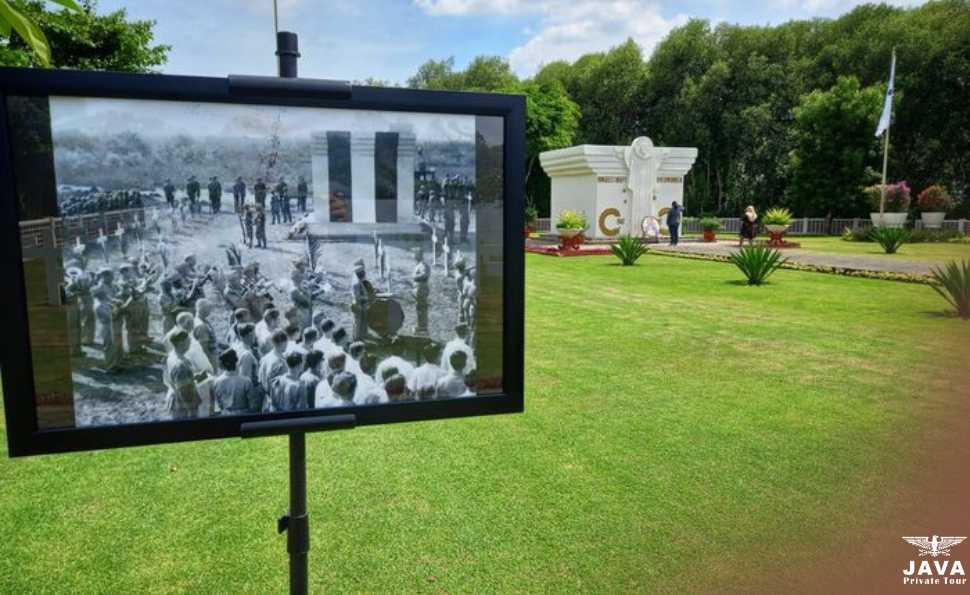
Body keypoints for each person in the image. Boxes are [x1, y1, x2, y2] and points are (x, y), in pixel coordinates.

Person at [164, 330, 202, 419]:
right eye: (188, 340)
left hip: (176, 400)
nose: (190, 342)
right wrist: (192, 411)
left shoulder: (171, 356)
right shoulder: (180, 365)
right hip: (183, 407)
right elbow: (184, 391)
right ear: (181, 343)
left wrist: (204, 376)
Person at [91, 267, 123, 371]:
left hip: (114, 322)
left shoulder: (111, 287)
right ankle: (111, 366)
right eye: (110, 275)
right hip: (108, 325)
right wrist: (117, 307)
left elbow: (113, 298)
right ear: (105, 276)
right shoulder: (99, 298)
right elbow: (108, 315)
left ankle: (117, 363)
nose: (112, 277)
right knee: (109, 346)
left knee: (117, 344)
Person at [212, 349, 255, 416]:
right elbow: (253, 405)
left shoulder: (217, 382)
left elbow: (217, 405)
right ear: (236, 361)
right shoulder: (246, 381)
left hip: (225, 416)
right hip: (244, 416)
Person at [231, 323, 263, 412]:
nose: (255, 337)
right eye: (253, 334)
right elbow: (246, 378)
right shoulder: (247, 354)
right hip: (251, 393)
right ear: (249, 335)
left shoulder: (236, 347)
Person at [258, 330, 289, 409]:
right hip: (277, 402)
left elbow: (260, 380)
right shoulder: (278, 361)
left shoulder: (265, 358)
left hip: (266, 400)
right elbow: (273, 385)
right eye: (286, 342)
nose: (287, 345)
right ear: (283, 342)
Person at [350, 259, 374, 342]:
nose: (364, 274)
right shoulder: (356, 283)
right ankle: (356, 338)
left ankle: (364, 334)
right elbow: (357, 297)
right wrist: (367, 297)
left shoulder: (360, 280)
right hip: (357, 305)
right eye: (363, 273)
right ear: (359, 274)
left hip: (363, 304)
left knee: (364, 320)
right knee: (358, 322)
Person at [411, 247, 430, 335]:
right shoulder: (418, 264)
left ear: (419, 255)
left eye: (415, 254)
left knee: (421, 308)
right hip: (418, 289)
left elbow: (425, 274)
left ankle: (423, 327)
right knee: (419, 308)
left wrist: (415, 277)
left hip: (421, 289)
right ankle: (420, 325)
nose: (413, 255)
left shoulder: (422, 265)